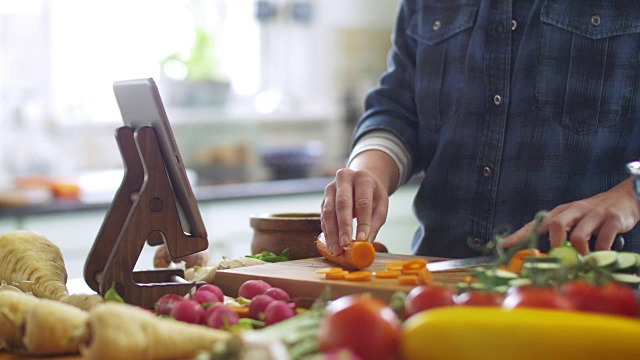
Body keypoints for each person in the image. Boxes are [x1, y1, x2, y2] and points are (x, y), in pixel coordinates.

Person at [320, 0, 640, 258]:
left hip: (597, 287)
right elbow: (399, 109)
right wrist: (369, 172)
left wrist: (632, 195)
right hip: (437, 281)